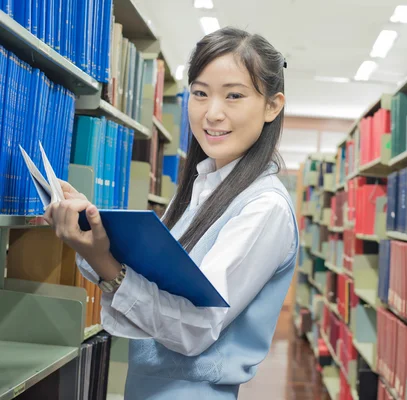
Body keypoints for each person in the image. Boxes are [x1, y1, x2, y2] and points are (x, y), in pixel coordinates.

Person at [43, 27, 299, 399]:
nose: (212, 113)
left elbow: (195, 329)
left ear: (272, 106)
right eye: (200, 93)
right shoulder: (201, 187)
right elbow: (153, 279)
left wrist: (104, 261)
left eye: (234, 96)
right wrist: (90, 229)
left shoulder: (264, 207)